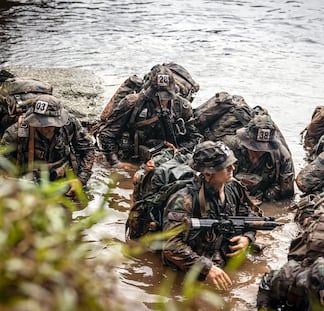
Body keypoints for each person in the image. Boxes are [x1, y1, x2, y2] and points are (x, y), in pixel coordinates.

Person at [162, 140, 260, 290]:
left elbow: (249, 215)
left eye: (232, 164)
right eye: (226, 167)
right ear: (207, 174)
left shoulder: (233, 187)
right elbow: (171, 246)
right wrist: (207, 268)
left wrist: (247, 237)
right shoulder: (184, 200)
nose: (232, 169)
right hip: (189, 267)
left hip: (219, 256)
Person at [95, 64, 202, 169]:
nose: (162, 101)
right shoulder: (132, 103)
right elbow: (106, 135)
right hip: (134, 156)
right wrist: (116, 163)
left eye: (167, 97)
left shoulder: (182, 107)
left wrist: (179, 151)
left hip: (167, 158)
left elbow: (193, 137)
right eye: (157, 97)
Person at [0, 94, 95, 196]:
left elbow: (88, 149)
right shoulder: (15, 133)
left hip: (64, 181)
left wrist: (81, 180)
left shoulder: (69, 124)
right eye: (40, 123)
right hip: (29, 187)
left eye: (50, 124)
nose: (46, 128)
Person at [225, 114, 295, 202]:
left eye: (264, 149)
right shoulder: (230, 148)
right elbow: (216, 180)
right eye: (254, 148)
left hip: (263, 197)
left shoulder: (282, 156)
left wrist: (263, 198)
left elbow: (286, 192)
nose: (258, 152)